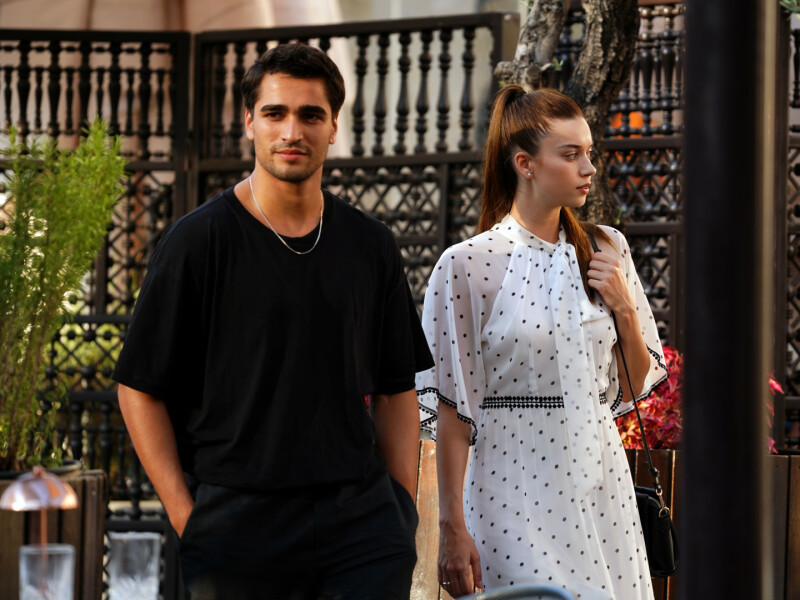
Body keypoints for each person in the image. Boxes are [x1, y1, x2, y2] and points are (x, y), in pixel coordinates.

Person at [113, 42, 433, 600]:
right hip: (237, 525)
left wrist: (399, 511)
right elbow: (139, 388)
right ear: (249, 123)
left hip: (361, 527)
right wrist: (190, 519)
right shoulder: (198, 241)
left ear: (333, 127)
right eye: (274, 113)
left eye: (311, 115)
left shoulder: (371, 245)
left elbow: (394, 388)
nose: (292, 131)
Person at [416, 85, 668, 600]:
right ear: (525, 164)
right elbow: (454, 410)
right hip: (510, 485)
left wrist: (623, 308)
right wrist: (451, 527)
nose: (589, 168)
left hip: (603, 485)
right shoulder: (465, 265)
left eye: (589, 153)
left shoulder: (608, 248)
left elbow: (631, 386)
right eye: (570, 154)